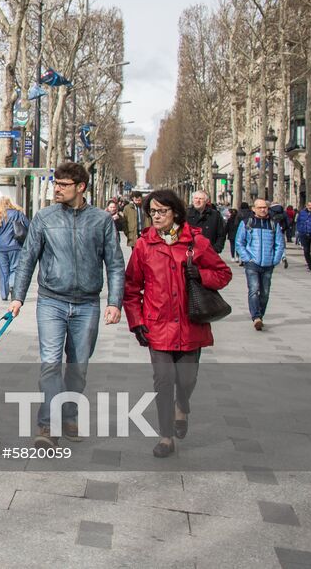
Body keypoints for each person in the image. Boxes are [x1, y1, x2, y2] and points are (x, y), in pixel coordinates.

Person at [9, 161, 124, 446]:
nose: (56, 189)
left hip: (87, 305)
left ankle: (70, 415)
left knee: (78, 368)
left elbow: (115, 264)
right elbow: (27, 258)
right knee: (50, 364)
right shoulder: (44, 218)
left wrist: (114, 302)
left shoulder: (101, 221)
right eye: (55, 183)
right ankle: (47, 425)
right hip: (51, 301)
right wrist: (17, 297)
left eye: (63, 185)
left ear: (81, 187)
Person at [124, 189, 232, 458]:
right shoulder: (144, 245)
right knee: (163, 380)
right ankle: (165, 437)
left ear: (176, 213)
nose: (156, 216)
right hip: (157, 325)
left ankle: (182, 406)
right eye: (153, 212)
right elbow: (131, 287)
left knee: (187, 378)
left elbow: (223, 274)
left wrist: (201, 274)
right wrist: (136, 321)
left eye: (162, 211)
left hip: (190, 324)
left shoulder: (196, 242)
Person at [235, 197, 285, 330]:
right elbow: (239, 242)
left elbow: (279, 243)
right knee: (254, 289)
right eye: (260, 207)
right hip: (252, 263)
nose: (263, 210)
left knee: (265, 292)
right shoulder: (247, 223)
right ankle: (256, 317)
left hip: (268, 263)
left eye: (265, 207)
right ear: (254, 209)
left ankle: (260, 315)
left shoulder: (273, 224)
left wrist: (275, 259)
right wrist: (247, 258)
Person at [0, 197, 29, 301]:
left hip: (1, 248)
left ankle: (4, 294)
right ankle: (12, 284)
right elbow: (27, 226)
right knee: (15, 268)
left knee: (3, 271)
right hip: (16, 246)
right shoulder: (18, 214)